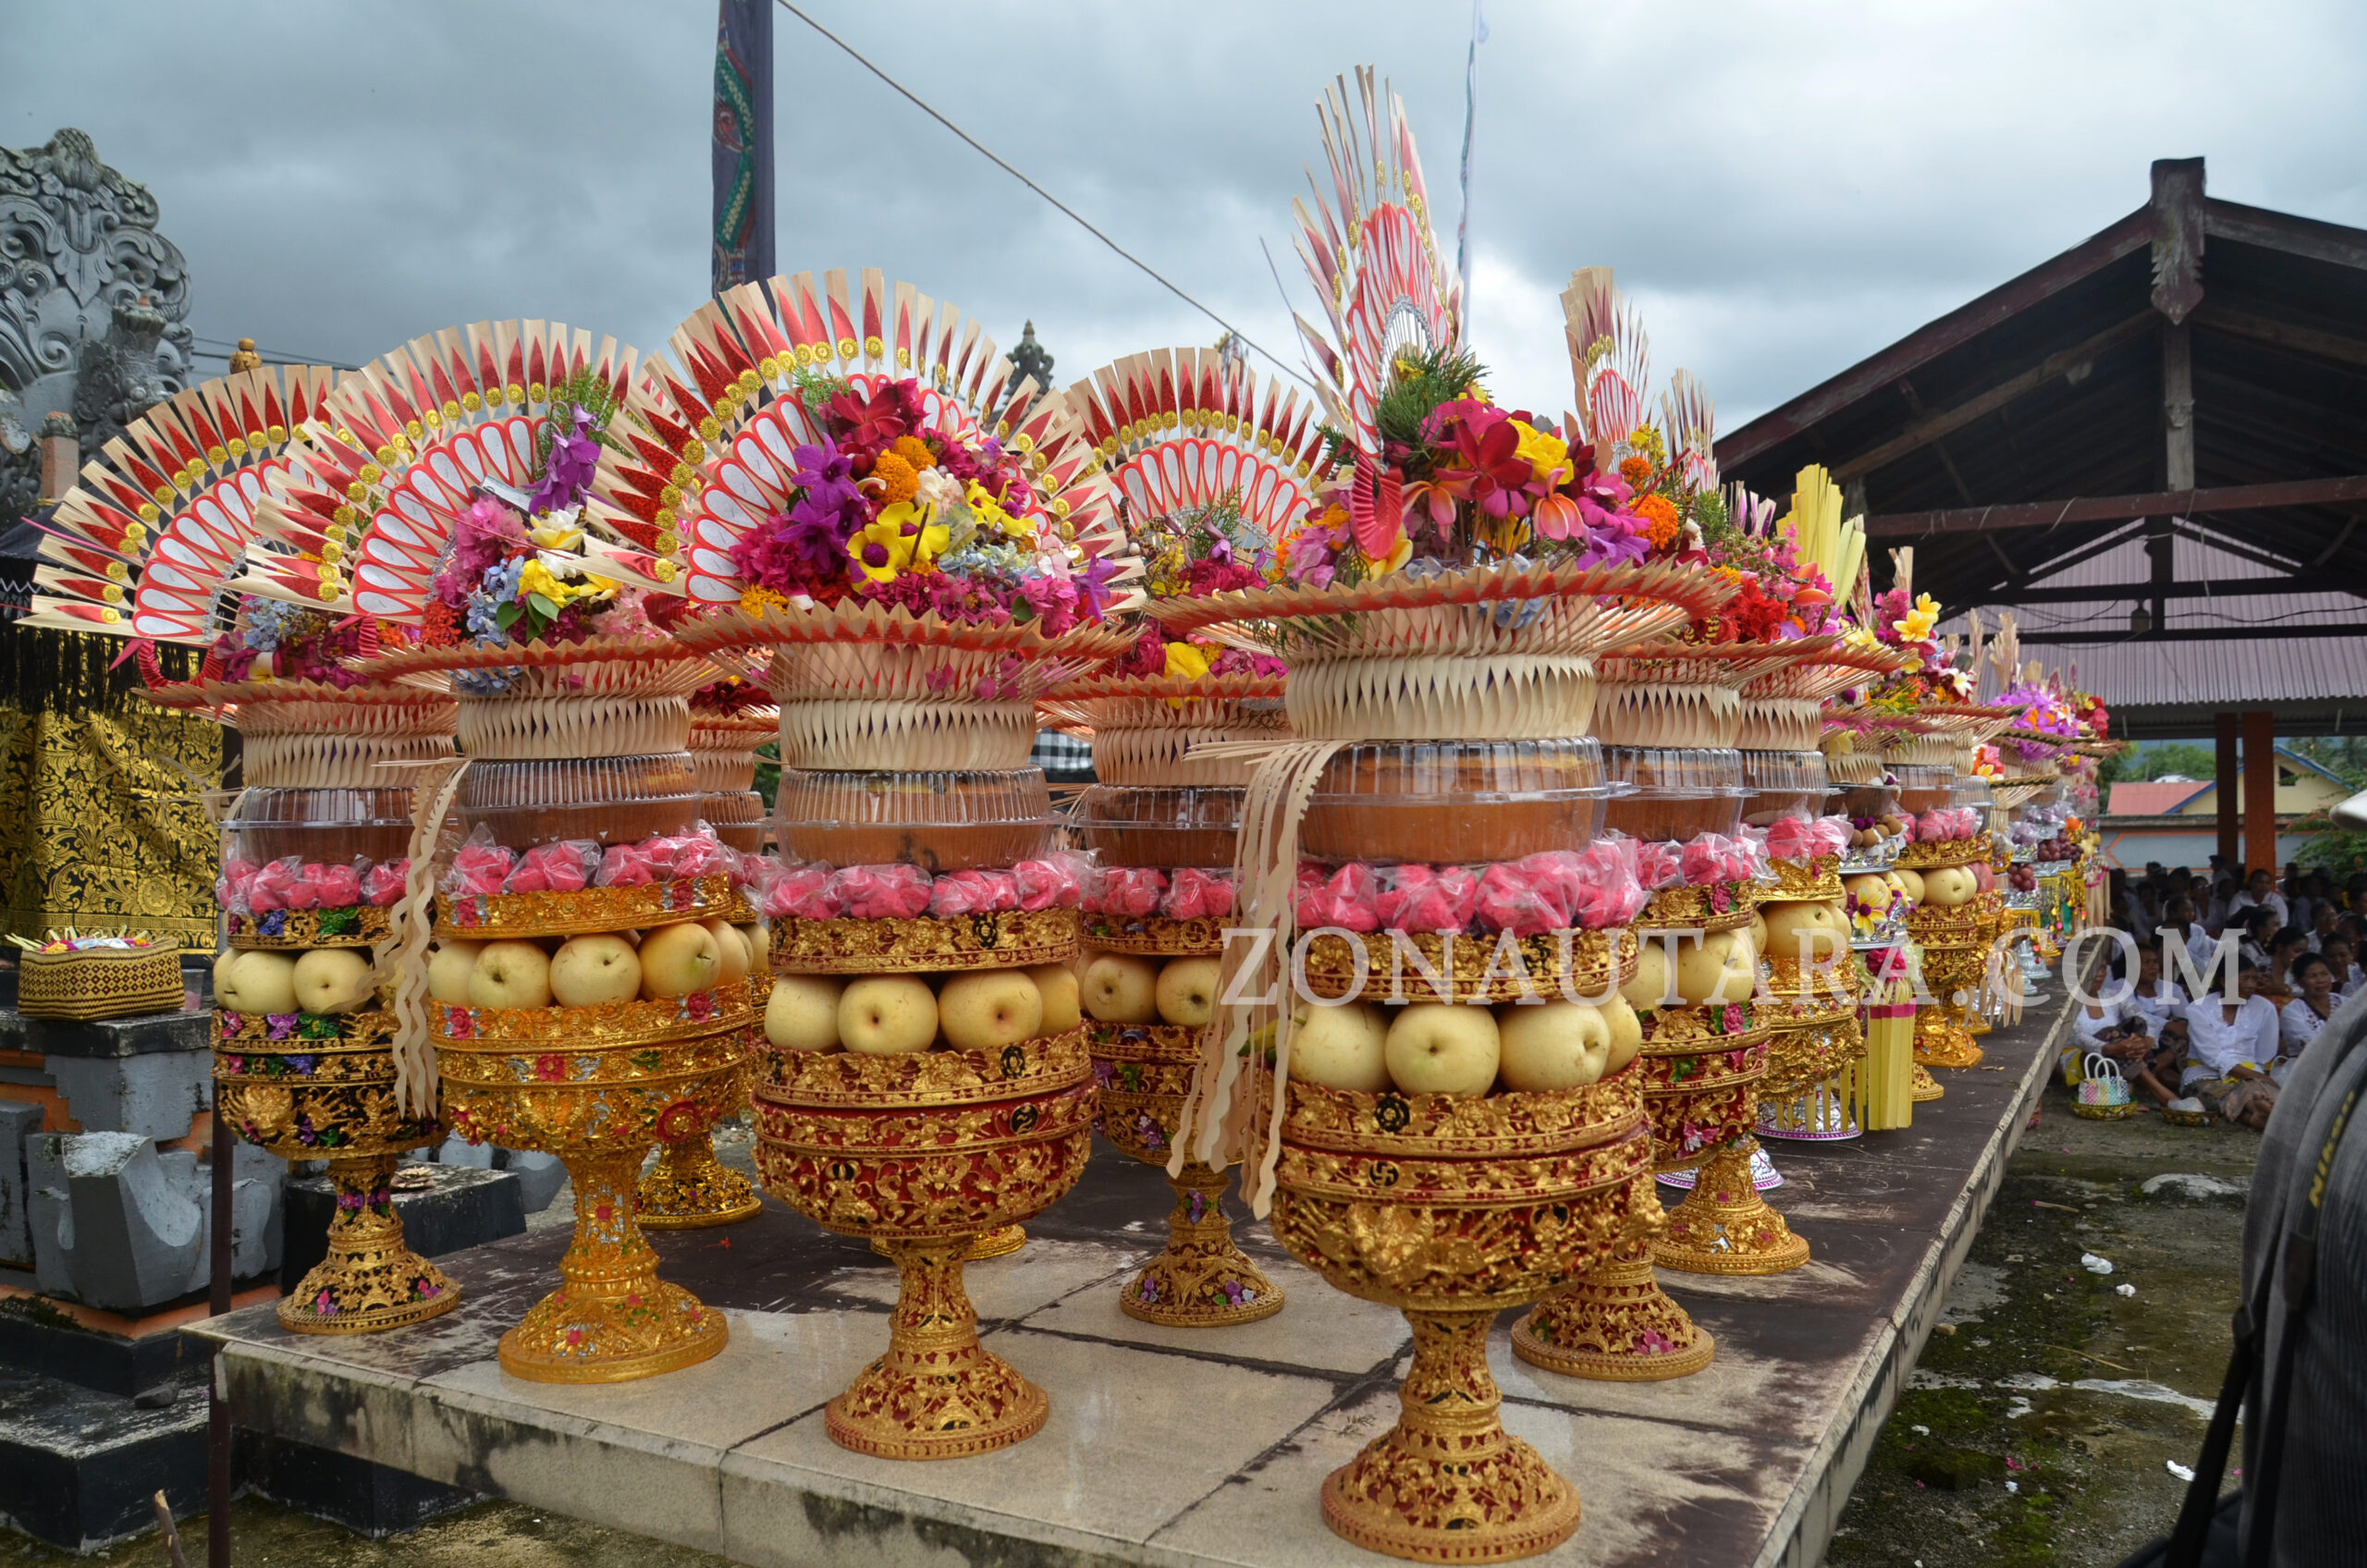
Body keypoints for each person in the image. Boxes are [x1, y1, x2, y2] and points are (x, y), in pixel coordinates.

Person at [2184, 959, 2283, 1129]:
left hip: (2251, 1074)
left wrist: (2257, 1076)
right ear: (2224, 981)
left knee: (2255, 1088)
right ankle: (2257, 1111)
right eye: (2245, 979)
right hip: (2206, 1075)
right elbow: (2213, 1057)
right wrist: (2260, 1078)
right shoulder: (2198, 1008)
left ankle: (2256, 1117)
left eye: (2254, 979)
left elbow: (2264, 1054)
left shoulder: (2265, 1008)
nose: (2252, 985)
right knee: (2231, 1092)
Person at [2281, 953, 2341, 1061]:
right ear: (2299, 982)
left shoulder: (2345, 1002)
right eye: (2313, 976)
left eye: (2324, 974)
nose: (2321, 980)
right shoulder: (2292, 1011)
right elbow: (2311, 1046)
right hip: (2309, 1067)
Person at [2232, 867, 2291, 932]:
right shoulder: (2239, 897)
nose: (2264, 886)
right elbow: (2231, 923)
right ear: (2251, 883)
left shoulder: (2276, 899)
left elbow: (2283, 923)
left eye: (2267, 883)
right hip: (2242, 935)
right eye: (2259, 882)